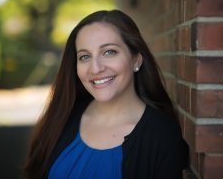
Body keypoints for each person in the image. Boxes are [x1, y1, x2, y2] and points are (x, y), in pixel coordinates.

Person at [24, 10, 188, 179]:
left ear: (136, 60)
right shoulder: (62, 117)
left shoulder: (162, 135)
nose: (95, 68)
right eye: (85, 56)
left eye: (109, 52)